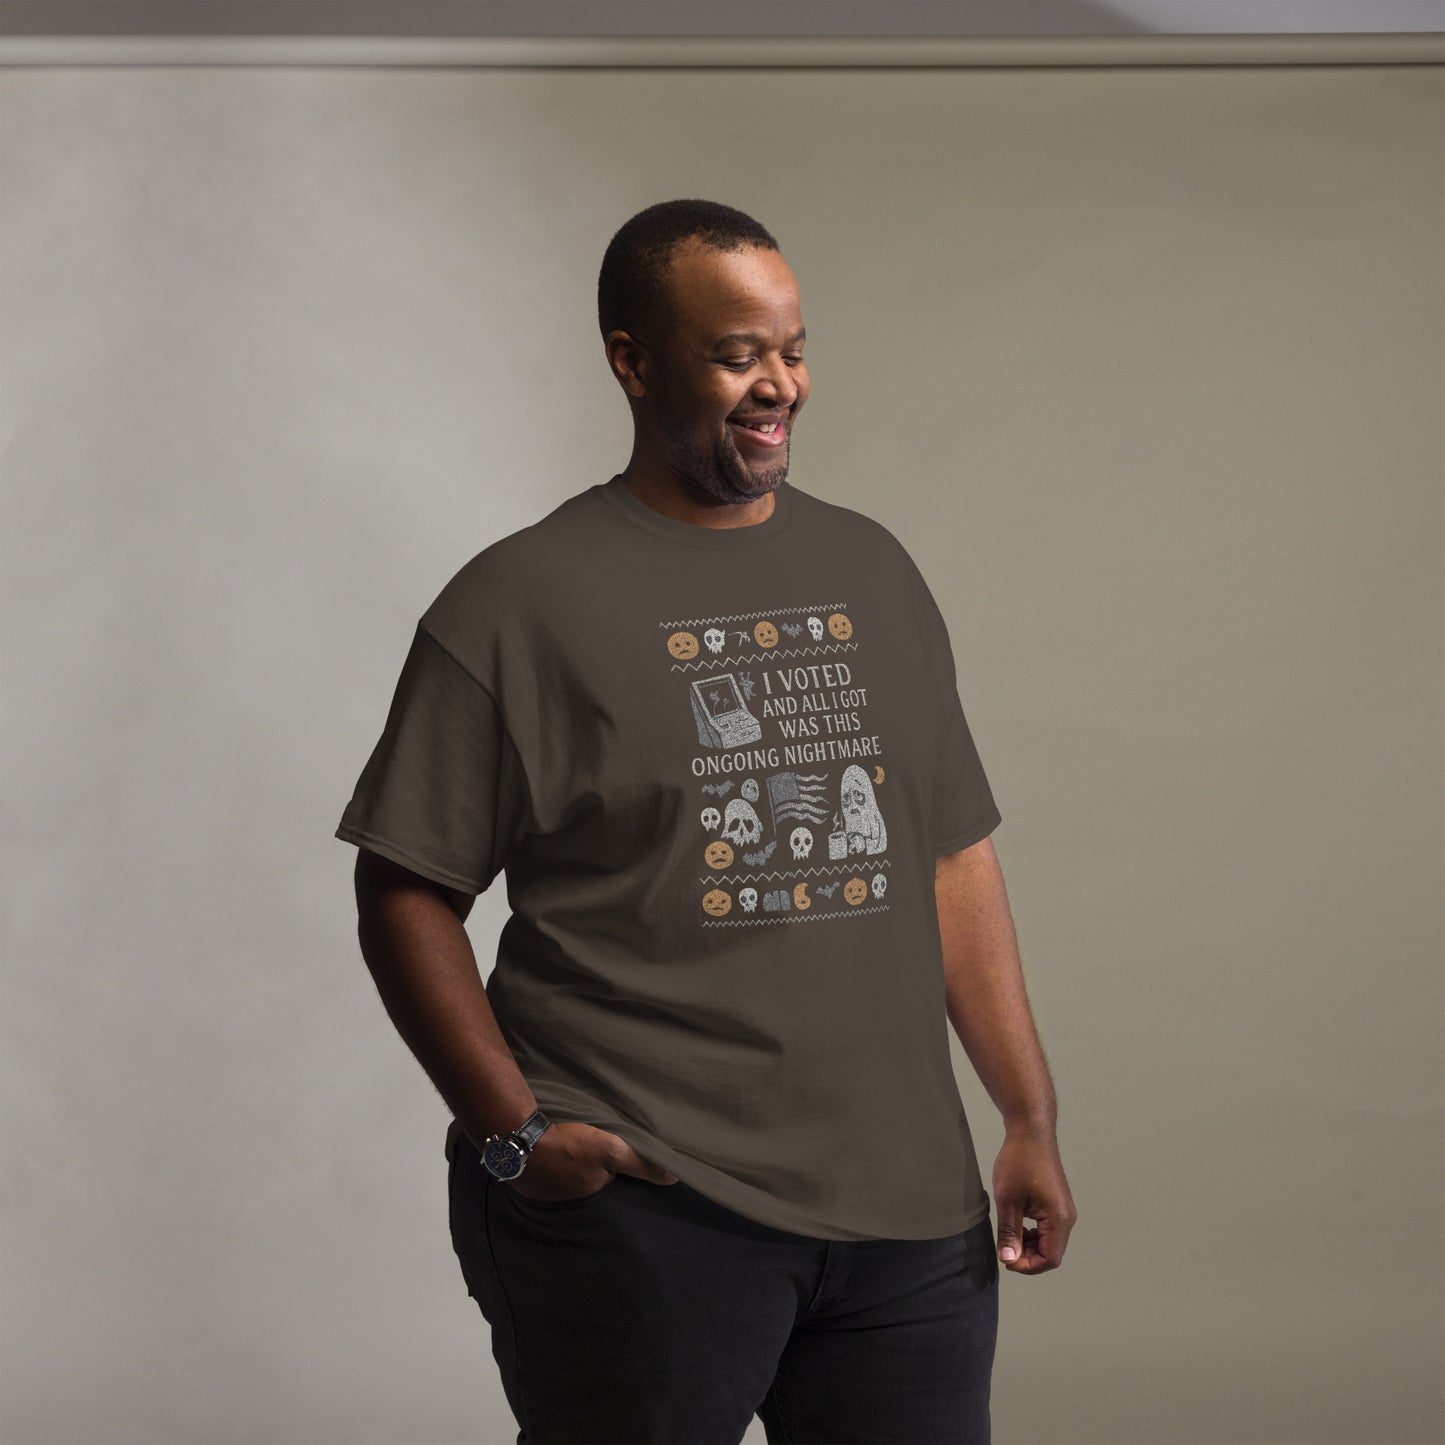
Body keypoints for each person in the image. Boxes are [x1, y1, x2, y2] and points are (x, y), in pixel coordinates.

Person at [336, 197, 1076, 1445]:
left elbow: (950, 856)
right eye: (737, 354)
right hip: (648, 1211)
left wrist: (1026, 1117)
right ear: (632, 359)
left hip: (906, 1221)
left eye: (790, 348)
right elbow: (404, 888)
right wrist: (514, 1134)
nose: (775, 383)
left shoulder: (873, 570)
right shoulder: (515, 602)